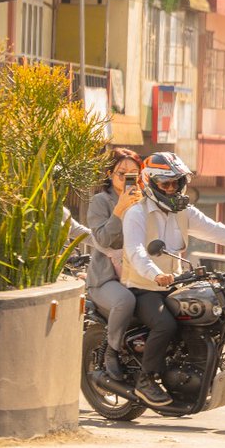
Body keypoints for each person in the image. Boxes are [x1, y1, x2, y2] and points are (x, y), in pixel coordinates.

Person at [122, 152, 225, 407]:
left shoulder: (184, 212)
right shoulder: (136, 214)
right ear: (150, 183)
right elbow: (135, 251)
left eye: (176, 183)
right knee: (165, 325)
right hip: (144, 287)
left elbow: (214, 229)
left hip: (176, 284)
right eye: (165, 183)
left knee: (209, 316)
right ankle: (146, 381)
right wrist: (155, 274)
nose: (171, 189)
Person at [85, 148, 143, 379]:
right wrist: (120, 209)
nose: (128, 179)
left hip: (140, 272)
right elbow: (104, 240)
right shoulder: (100, 201)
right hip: (107, 279)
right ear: (110, 174)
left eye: (134, 174)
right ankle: (112, 351)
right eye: (122, 173)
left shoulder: (145, 199)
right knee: (124, 300)